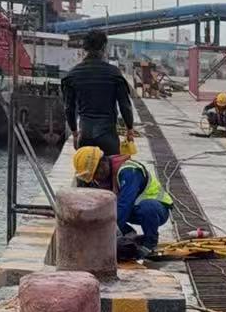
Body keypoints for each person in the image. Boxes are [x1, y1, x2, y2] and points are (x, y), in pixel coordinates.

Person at [73, 144, 173, 256]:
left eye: (96, 174)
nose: (95, 179)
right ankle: (129, 234)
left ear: (102, 163)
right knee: (102, 210)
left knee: (146, 207)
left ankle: (150, 244)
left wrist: (105, 235)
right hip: (133, 209)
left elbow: (125, 205)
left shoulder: (129, 171)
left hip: (157, 209)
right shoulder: (103, 176)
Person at [62, 28, 134, 158]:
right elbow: (125, 105)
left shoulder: (72, 75)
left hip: (85, 135)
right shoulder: (114, 73)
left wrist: (74, 132)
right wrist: (129, 129)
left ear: (85, 48)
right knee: (111, 173)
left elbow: (69, 108)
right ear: (104, 47)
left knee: (85, 174)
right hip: (108, 137)